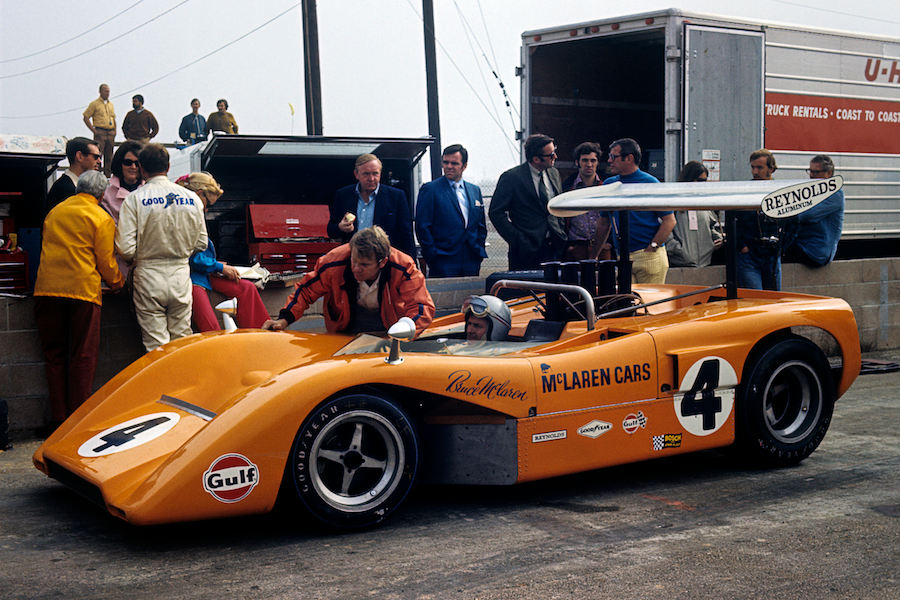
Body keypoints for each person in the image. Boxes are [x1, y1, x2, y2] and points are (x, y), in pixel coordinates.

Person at [34, 170, 124, 429]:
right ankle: (78, 420)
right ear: (101, 193)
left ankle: (58, 418)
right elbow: (105, 261)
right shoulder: (100, 217)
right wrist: (118, 283)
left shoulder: (55, 212)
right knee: (83, 356)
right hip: (82, 291)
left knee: (53, 355)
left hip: (46, 290)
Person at [116, 144, 208, 351]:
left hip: (148, 275)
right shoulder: (193, 198)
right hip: (180, 275)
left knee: (155, 346)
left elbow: (125, 248)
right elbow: (202, 243)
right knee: (182, 340)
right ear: (167, 166)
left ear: (142, 168)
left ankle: (163, 382)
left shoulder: (134, 199)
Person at [262, 226, 434, 337]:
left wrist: (405, 327)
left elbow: (422, 307)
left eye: (365, 265)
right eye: (354, 261)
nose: (356, 268)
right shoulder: (332, 262)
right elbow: (306, 291)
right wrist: (283, 320)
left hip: (389, 329)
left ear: (382, 263)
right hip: (345, 328)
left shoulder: (403, 267)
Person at [179, 172, 269, 331]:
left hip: (202, 273)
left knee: (247, 288)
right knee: (211, 329)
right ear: (199, 194)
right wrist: (220, 268)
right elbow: (192, 257)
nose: (207, 210)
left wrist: (216, 266)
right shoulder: (185, 214)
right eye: (209, 205)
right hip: (191, 277)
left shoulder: (191, 210)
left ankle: (261, 333)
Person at [598, 138, 675, 284]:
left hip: (648, 256)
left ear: (629, 158)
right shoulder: (610, 185)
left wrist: (652, 247)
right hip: (623, 256)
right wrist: (594, 254)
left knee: (650, 304)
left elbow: (669, 220)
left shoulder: (650, 184)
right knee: (625, 302)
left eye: (614, 157)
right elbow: (603, 222)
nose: (609, 160)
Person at [489, 133, 566, 270]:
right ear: (536, 159)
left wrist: (561, 233)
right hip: (525, 252)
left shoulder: (553, 174)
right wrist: (518, 240)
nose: (556, 157)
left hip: (554, 249)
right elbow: (496, 213)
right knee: (527, 290)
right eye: (551, 154)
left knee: (554, 290)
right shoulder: (511, 178)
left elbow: (558, 207)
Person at [415, 143, 487, 277]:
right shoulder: (430, 190)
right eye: (445, 162)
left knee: (469, 297)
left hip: (471, 260)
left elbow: (480, 225)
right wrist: (432, 255)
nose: (448, 167)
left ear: (464, 166)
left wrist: (478, 249)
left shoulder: (474, 190)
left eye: (454, 163)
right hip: (443, 260)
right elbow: (422, 226)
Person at [327, 153, 415, 258]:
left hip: (384, 259)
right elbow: (331, 230)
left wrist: (411, 263)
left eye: (375, 173)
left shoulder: (396, 197)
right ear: (356, 174)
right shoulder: (343, 195)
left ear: (380, 174)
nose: (371, 178)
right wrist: (340, 227)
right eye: (366, 174)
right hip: (352, 259)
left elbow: (406, 235)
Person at [782, 154, 844, 267]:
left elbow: (806, 215)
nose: (811, 175)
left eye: (816, 172)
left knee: (773, 255)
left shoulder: (835, 194)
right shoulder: (812, 191)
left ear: (829, 174)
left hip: (816, 252)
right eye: (810, 171)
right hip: (803, 245)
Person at [736, 148, 782, 290]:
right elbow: (734, 219)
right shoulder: (745, 191)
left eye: (759, 168)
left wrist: (783, 246)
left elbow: (794, 221)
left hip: (772, 253)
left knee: (773, 298)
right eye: (753, 167)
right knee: (755, 297)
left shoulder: (779, 192)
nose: (755, 172)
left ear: (771, 169)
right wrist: (742, 246)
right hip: (750, 254)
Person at [666, 161, 723, 267]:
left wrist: (718, 239)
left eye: (705, 181)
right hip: (679, 264)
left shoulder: (705, 204)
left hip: (705, 264)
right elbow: (665, 228)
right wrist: (679, 251)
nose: (703, 184)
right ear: (689, 179)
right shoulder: (673, 202)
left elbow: (710, 228)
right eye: (700, 180)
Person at [562, 142, 610, 261]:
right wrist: (567, 246)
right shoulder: (567, 187)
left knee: (605, 279)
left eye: (593, 160)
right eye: (585, 160)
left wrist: (610, 243)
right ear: (577, 162)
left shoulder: (606, 186)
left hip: (603, 247)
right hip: (576, 247)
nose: (589, 164)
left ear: (597, 163)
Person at [46, 137, 101, 211]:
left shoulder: (70, 185)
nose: (99, 161)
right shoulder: (65, 189)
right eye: (96, 157)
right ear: (80, 156)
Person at [100, 140, 144, 224]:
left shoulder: (150, 191)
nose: (133, 167)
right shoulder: (105, 193)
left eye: (137, 163)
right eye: (128, 163)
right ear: (119, 163)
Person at [82, 83, 116, 176]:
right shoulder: (94, 104)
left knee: (109, 156)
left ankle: (108, 176)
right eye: (106, 91)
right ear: (100, 92)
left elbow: (113, 118)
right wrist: (94, 131)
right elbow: (85, 117)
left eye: (108, 91)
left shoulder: (111, 104)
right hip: (100, 131)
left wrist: (115, 131)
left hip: (110, 132)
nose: (107, 93)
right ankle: (96, 176)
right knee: (98, 155)